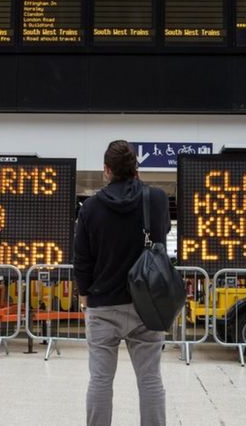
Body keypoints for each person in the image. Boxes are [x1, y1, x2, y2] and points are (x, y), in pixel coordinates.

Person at [73, 140, 170, 426]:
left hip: (103, 305)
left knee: (100, 380)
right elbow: (162, 237)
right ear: (135, 169)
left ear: (106, 171)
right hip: (148, 306)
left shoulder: (90, 208)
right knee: (150, 379)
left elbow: (82, 259)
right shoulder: (157, 199)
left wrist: (84, 295)